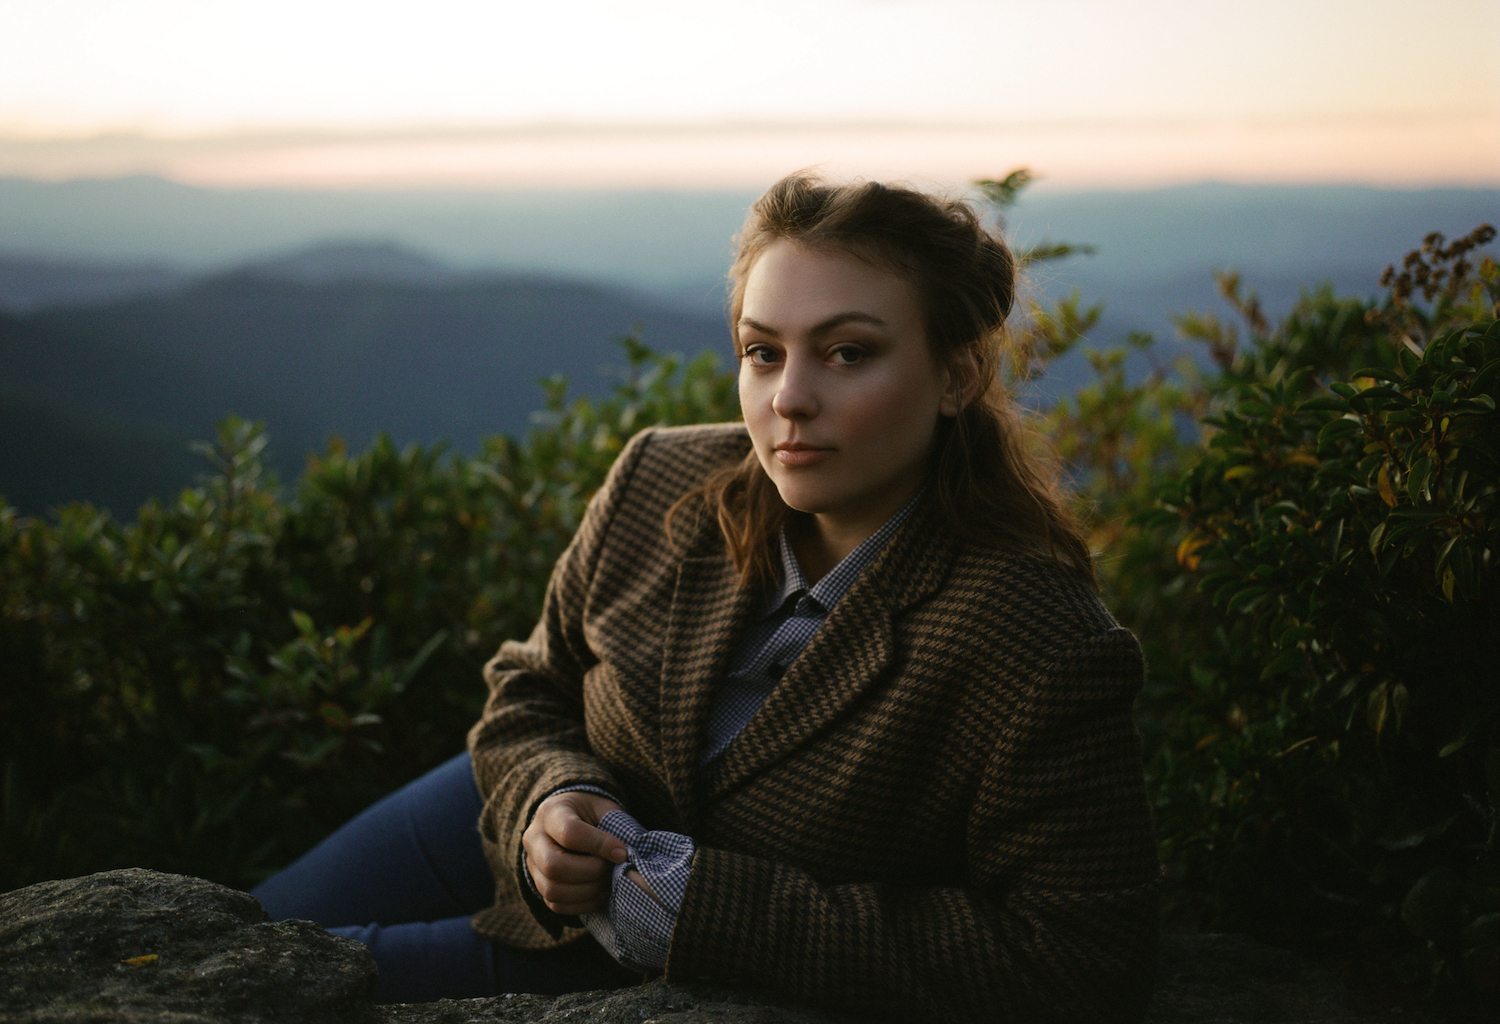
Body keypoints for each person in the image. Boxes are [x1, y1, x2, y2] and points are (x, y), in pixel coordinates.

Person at [254, 173, 1160, 1023]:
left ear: (958, 376)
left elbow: (1078, 956)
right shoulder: (663, 474)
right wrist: (550, 797)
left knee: (268, 997)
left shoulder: (1038, 643)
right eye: (762, 353)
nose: (790, 399)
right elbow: (532, 684)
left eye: (848, 353)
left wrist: (713, 915)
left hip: (633, 963)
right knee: (238, 930)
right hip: (495, 814)